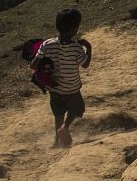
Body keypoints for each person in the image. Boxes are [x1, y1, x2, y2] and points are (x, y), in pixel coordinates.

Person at [31, 8, 92, 148]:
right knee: (77, 110)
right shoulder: (77, 48)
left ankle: (56, 141)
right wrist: (89, 48)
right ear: (75, 29)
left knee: (58, 114)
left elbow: (34, 65)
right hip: (72, 88)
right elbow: (85, 65)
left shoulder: (47, 44)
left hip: (53, 87)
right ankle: (65, 127)